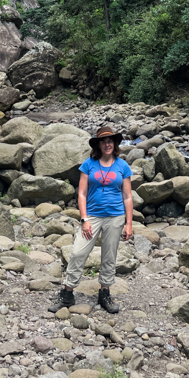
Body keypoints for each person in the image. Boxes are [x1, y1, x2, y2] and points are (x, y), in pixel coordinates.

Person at [49, 125, 133, 314]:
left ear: (115, 144)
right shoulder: (88, 164)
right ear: (98, 145)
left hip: (115, 217)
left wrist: (129, 223)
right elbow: (82, 193)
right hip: (92, 216)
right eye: (103, 142)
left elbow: (127, 196)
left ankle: (104, 294)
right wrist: (84, 219)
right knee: (78, 253)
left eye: (110, 141)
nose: (107, 144)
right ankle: (67, 294)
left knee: (109, 256)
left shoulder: (123, 166)